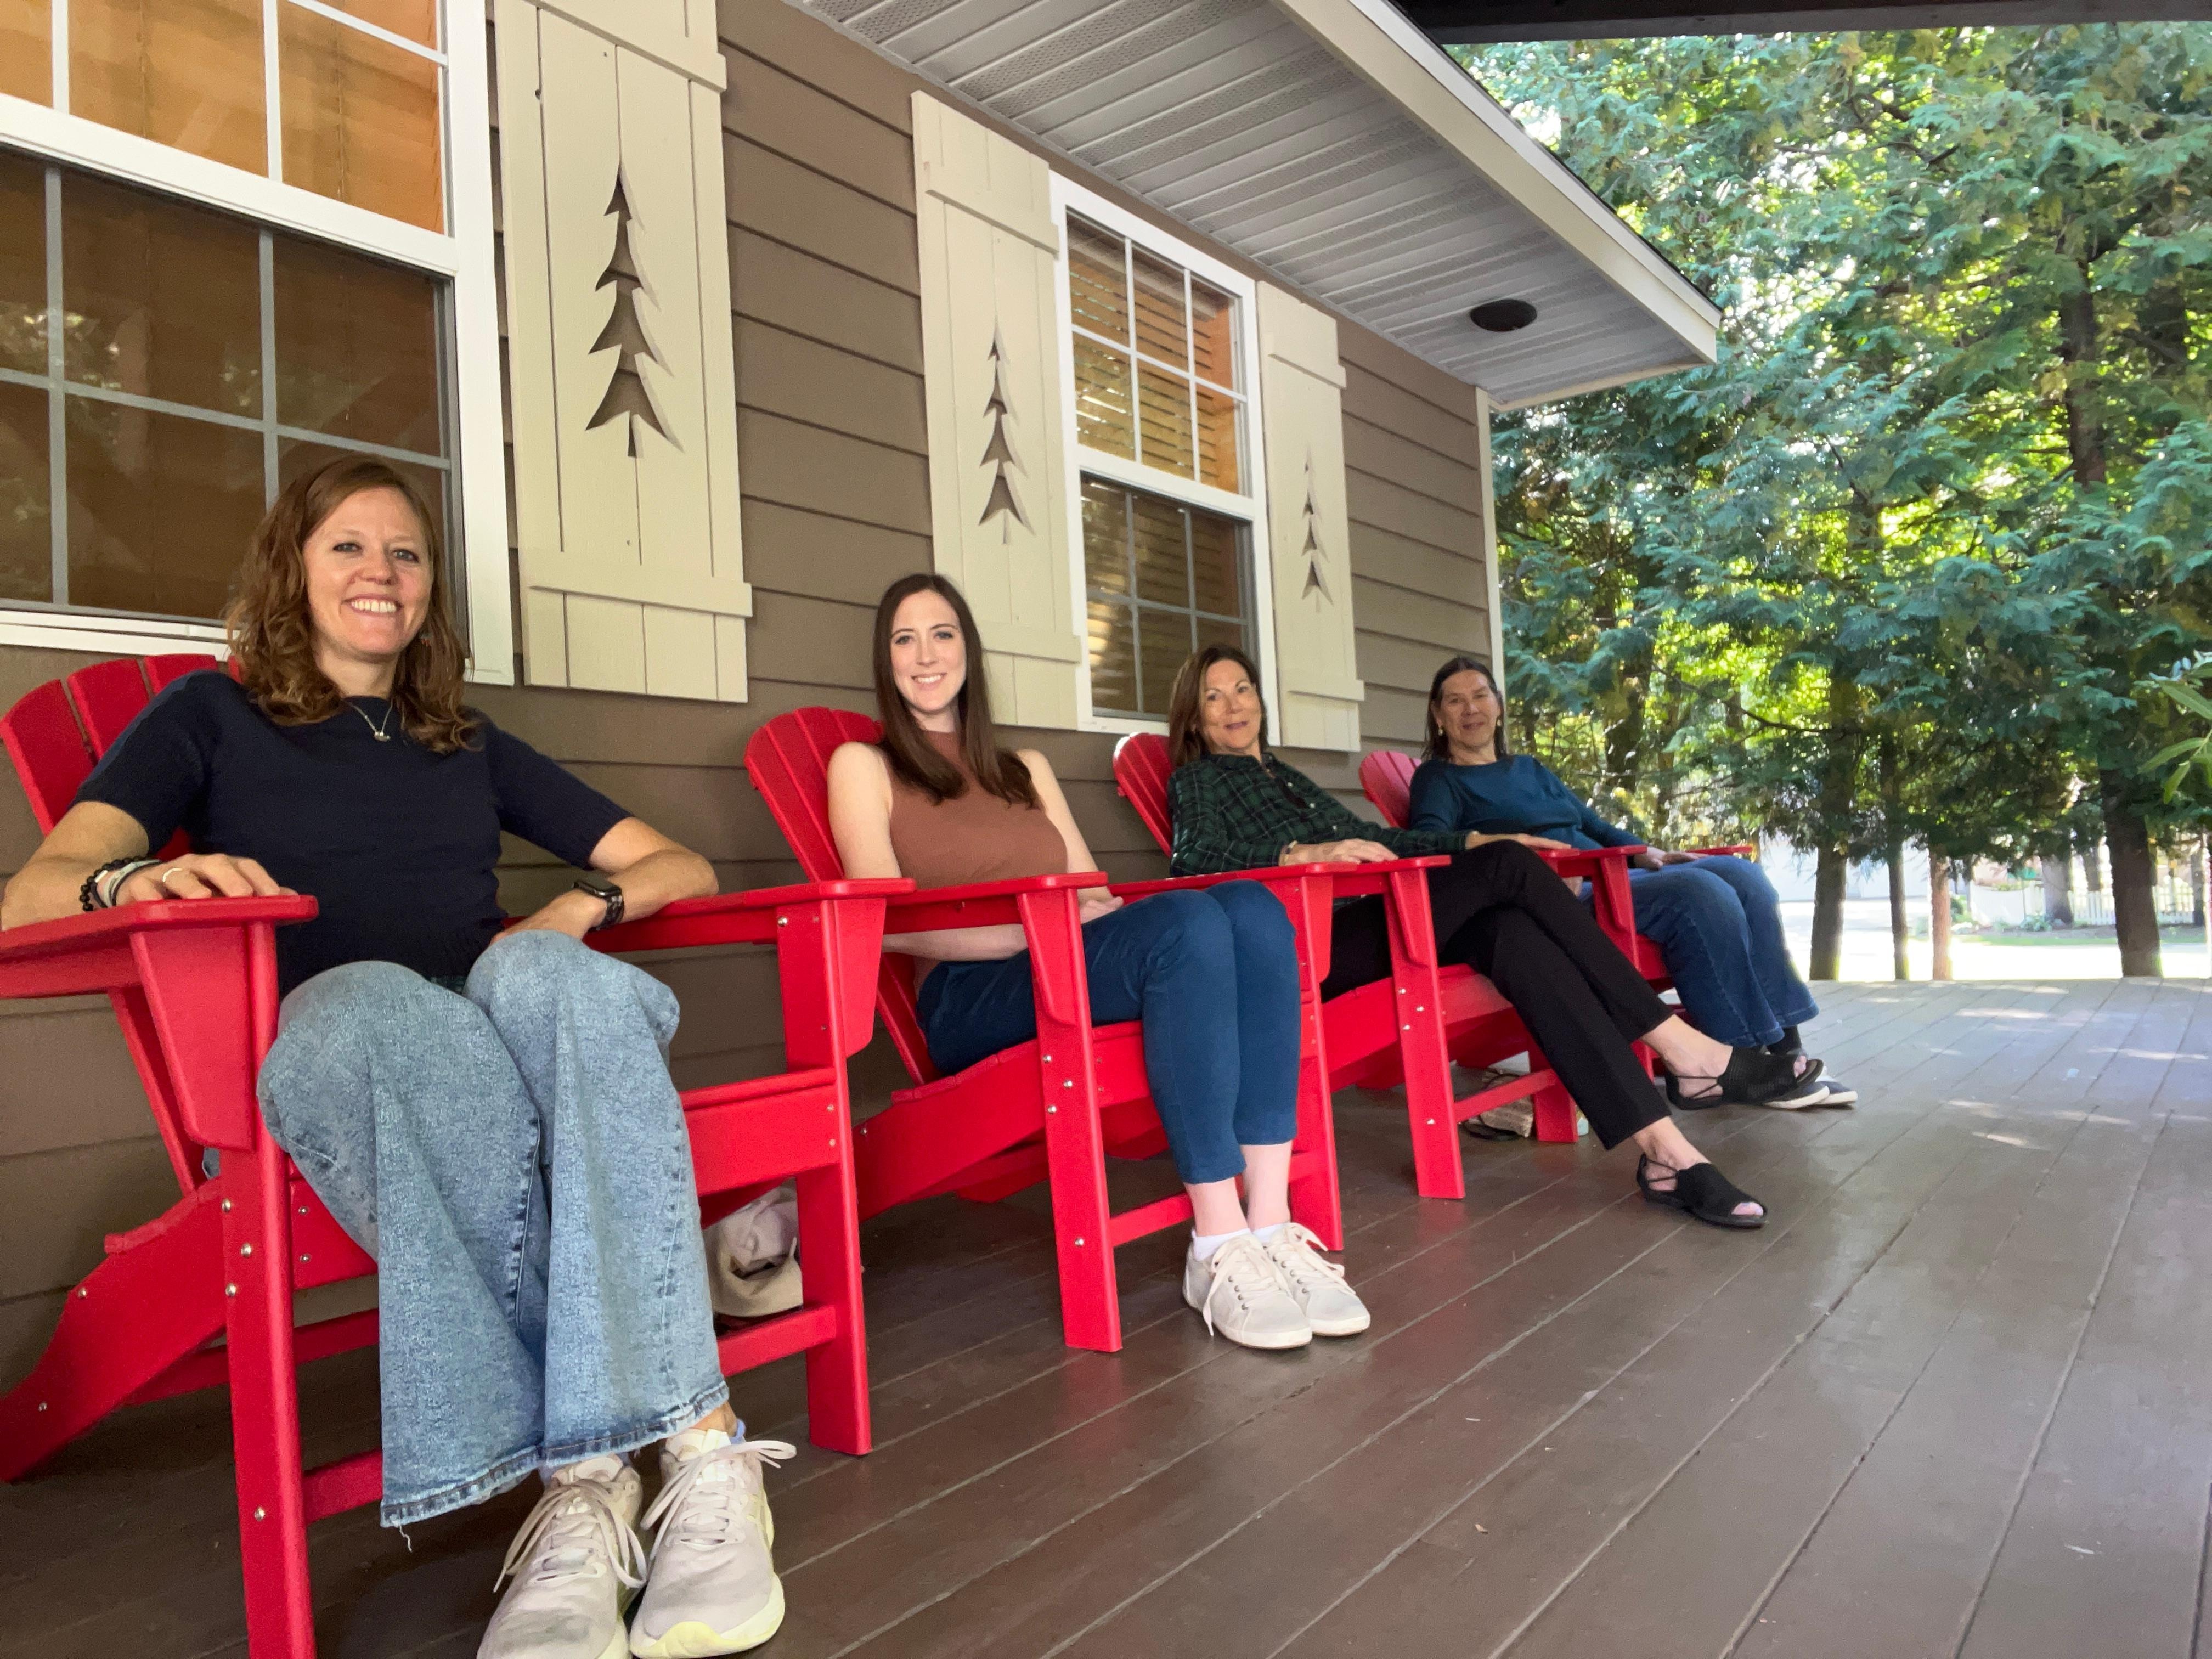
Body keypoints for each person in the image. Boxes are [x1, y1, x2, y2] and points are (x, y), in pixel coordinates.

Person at [0, 457, 785, 1659]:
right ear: (293, 574)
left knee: (549, 975)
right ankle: (667, 1447)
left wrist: (577, 910)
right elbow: (31, 898)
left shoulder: (466, 742)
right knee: (376, 998)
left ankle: (629, 1480)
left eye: (406, 554)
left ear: (428, 591)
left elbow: (679, 865)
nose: (382, 573)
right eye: (349, 548)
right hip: (353, 1054)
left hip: (502, 1049)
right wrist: (135, 875)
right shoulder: (208, 718)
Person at [826, 574, 1367, 1351]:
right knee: (1186, 923)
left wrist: (1085, 926)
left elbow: (1091, 894)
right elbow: (876, 924)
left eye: (941, 634)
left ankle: (1271, 1222)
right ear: (886, 660)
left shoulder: (1026, 768)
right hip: (971, 996)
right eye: (903, 638)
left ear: (968, 652)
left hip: (1061, 968)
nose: (924, 654)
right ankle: (1216, 1244)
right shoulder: (864, 764)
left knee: (1250, 908)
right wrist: (1029, 933)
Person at [1165, 645, 1797, 1229]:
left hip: (1380, 918)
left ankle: (1668, 1155)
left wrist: (1470, 840)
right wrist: (1303, 849)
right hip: (1313, 948)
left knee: (1514, 932)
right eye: (1215, 697)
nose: (1233, 705)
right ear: (1194, 718)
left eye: (1242, 688)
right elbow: (1193, 858)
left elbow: (1388, 841)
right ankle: (1679, 1046)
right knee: (1510, 866)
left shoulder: (1284, 776)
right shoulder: (1200, 779)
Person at [1407, 656, 1853, 1109]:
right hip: (1564, 897)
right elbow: (1425, 841)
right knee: (1699, 895)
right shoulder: (1440, 779)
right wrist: (1499, 841)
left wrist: (1646, 851)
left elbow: (1591, 824)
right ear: (1439, 716)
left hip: (1614, 872)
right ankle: (1734, 1062)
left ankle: (1786, 1047)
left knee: (1744, 876)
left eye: (1480, 696)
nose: (1471, 710)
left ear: (1499, 706)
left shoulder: (1529, 769)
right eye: (1456, 702)